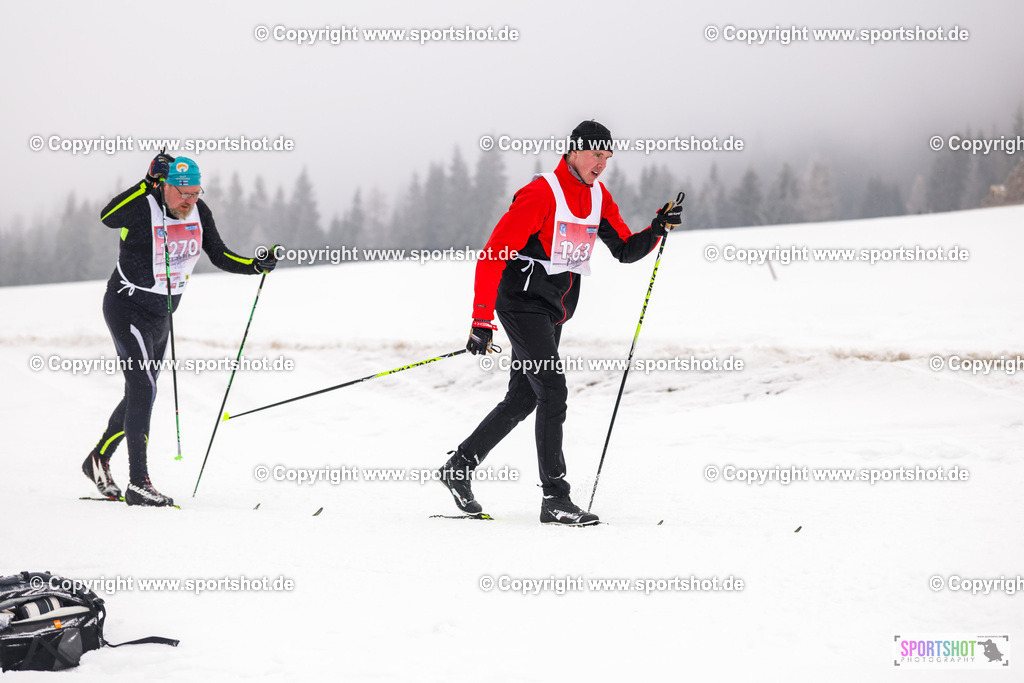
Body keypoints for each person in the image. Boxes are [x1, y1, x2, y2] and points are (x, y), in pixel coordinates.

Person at [438, 120, 683, 525]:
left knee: (524, 398)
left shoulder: (599, 197)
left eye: (607, 156)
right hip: (520, 303)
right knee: (552, 387)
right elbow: (493, 253)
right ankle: (555, 497)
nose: (601, 164)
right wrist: (481, 319)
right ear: (572, 151)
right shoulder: (541, 194)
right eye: (594, 154)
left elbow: (623, 249)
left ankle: (459, 467)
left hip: (554, 310)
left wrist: (657, 228)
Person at [82, 154, 278, 507]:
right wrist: (145, 182)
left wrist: (255, 266)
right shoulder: (144, 207)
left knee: (141, 392)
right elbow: (107, 217)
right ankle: (138, 484)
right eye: (182, 192)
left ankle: (98, 458)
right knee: (143, 386)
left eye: (195, 192)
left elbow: (218, 254)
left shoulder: (200, 212)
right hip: (126, 307)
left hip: (161, 315)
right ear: (165, 186)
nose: (189, 200)